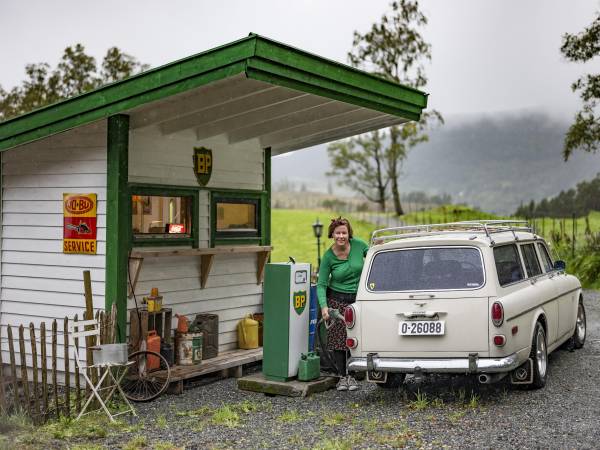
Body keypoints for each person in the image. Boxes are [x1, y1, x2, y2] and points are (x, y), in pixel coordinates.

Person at [317, 217, 368, 391]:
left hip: (358, 299)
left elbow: (374, 256)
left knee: (356, 337)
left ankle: (354, 375)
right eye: (337, 232)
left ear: (349, 233)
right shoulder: (328, 256)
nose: (341, 236)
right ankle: (342, 377)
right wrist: (324, 307)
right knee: (339, 340)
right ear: (332, 234)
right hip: (336, 300)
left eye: (344, 232)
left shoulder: (360, 246)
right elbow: (322, 284)